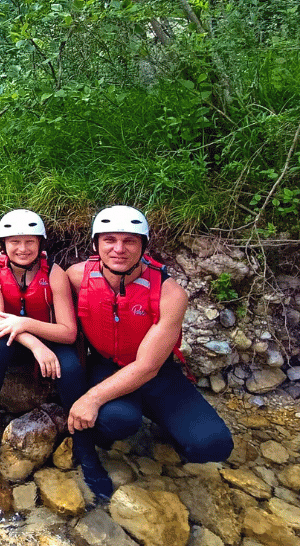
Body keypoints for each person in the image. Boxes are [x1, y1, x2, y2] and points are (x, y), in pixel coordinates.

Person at [63, 205, 233, 501]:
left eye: (129, 241)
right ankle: (125, 422)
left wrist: (90, 398)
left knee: (213, 446)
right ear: (95, 244)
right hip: (106, 364)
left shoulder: (170, 294)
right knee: (118, 421)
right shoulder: (77, 277)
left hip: (155, 371)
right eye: (109, 240)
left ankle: (164, 423)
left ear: (143, 245)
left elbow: (147, 366)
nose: (119, 249)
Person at [0, 210, 82, 466]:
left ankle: (83, 443)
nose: (22, 248)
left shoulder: (54, 274)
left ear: (40, 243)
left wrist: (25, 324)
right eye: (14, 242)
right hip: (22, 342)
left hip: (52, 338)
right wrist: (33, 343)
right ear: (4, 245)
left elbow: (68, 331)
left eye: (30, 241)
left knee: (72, 367)